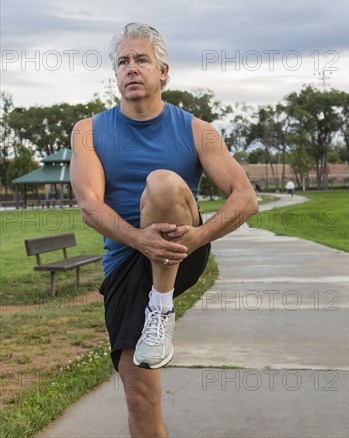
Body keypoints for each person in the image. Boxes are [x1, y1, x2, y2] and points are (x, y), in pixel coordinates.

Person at [70, 23, 258, 437]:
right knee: (139, 395)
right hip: (125, 259)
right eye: (123, 61)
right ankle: (155, 308)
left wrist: (199, 236)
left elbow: (245, 197)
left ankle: (162, 305)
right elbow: (89, 204)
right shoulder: (89, 131)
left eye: (141, 59)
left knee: (163, 182)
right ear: (115, 74)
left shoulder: (197, 130)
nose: (131, 68)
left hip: (182, 249)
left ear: (163, 71)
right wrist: (138, 239)